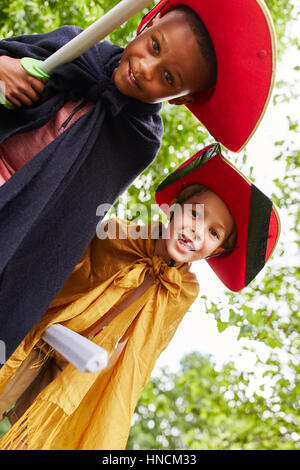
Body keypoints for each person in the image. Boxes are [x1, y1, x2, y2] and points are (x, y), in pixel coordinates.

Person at [0, 0, 276, 360]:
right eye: (155, 46)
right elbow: (11, 61)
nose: (146, 67)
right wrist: (4, 68)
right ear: (149, 21)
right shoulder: (75, 47)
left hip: (14, 223)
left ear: (182, 99)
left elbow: (64, 222)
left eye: (169, 78)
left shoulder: (135, 140)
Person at [0, 142, 280, 450]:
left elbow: (142, 350)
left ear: (219, 250)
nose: (198, 231)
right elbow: (58, 273)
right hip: (35, 337)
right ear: (174, 208)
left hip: (80, 374)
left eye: (214, 233)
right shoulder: (117, 235)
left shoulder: (183, 291)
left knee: (38, 441)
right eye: (196, 214)